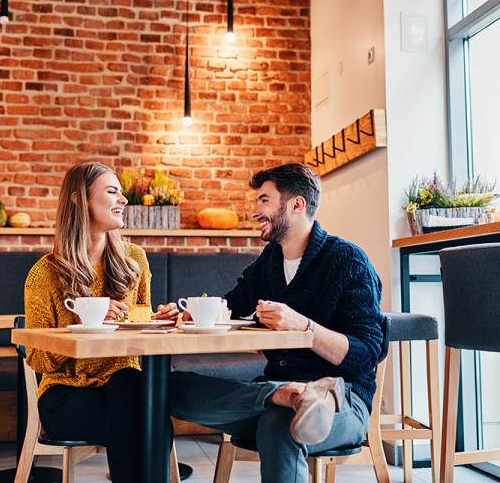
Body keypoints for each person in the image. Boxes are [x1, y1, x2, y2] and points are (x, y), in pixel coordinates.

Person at [170, 163, 385, 482]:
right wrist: (185, 312)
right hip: (271, 389)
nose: (255, 210)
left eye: (264, 200)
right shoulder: (269, 261)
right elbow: (231, 304)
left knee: (281, 423)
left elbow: (366, 353)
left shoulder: (347, 261)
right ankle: (286, 393)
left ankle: (296, 398)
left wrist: (304, 327)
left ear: (297, 204)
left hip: (342, 400)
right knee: (168, 390)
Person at [24, 162, 181, 482]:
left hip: (124, 384)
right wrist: (82, 325)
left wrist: (161, 321)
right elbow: (37, 357)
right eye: (112, 192)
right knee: (146, 417)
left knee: (134, 389)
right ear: (79, 200)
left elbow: (141, 329)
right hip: (66, 395)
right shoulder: (45, 273)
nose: (123, 200)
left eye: (122, 193)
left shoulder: (134, 259)